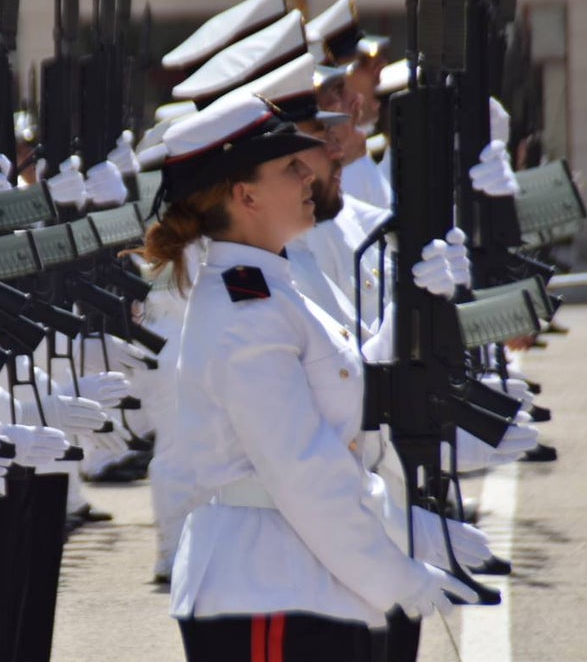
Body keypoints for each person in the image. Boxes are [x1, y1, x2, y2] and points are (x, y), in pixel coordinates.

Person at [139, 92, 475, 661]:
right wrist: (395, 572)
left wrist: (418, 301)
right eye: (290, 167)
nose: (308, 176)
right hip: (265, 587)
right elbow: (303, 470)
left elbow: (345, 389)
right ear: (246, 195)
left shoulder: (272, 285)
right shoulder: (247, 310)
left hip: (299, 579)